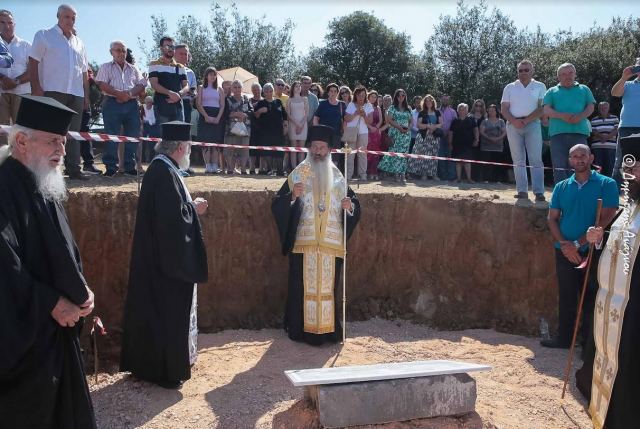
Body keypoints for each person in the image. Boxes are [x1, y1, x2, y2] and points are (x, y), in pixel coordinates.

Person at [0, 95, 96, 427]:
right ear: (22, 141)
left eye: (64, 142)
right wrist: (51, 303)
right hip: (26, 349)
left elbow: (61, 250)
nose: (62, 150)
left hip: (57, 337)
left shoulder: (44, 179)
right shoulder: (4, 188)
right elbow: (4, 268)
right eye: (53, 141)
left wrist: (81, 288)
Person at [120, 121, 209, 389]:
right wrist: (194, 209)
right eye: (189, 148)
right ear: (181, 147)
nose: (189, 152)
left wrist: (188, 208)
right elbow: (172, 222)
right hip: (165, 266)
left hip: (157, 260)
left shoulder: (163, 169)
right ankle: (164, 371)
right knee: (164, 315)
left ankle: (148, 366)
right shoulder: (163, 172)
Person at [271, 125, 361, 345]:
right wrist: (292, 196)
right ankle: (300, 331)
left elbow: (354, 206)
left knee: (329, 289)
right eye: (314, 147)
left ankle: (329, 332)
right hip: (305, 242)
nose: (318, 151)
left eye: (322, 147)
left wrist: (350, 207)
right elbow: (277, 203)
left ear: (329, 150)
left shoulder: (339, 177)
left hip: (330, 244)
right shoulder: (299, 173)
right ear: (309, 148)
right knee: (302, 288)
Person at [583, 134, 640, 429]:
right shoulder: (626, 209)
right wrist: (597, 240)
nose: (631, 174)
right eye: (628, 169)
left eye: (636, 168)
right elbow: (617, 253)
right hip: (618, 311)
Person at [543, 144, 618, 349]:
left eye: (583, 156)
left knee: (591, 297)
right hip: (565, 252)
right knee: (566, 296)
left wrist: (578, 244)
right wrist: (566, 246)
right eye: (574, 156)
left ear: (591, 157)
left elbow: (608, 215)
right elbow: (552, 219)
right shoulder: (561, 187)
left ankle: (588, 344)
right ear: (570, 160)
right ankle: (565, 339)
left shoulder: (607, 184)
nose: (579, 159)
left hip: (594, 250)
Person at [29, 4, 90, 180]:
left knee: (74, 133)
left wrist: (86, 96)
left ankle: (73, 169)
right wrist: (36, 88)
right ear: (58, 17)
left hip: (76, 93)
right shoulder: (44, 35)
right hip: (52, 91)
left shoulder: (80, 42)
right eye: (66, 17)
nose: (70, 21)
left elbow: (84, 72)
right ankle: (46, 169)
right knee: (50, 131)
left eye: (73, 18)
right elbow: (33, 62)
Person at [95, 40, 146, 177]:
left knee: (133, 135)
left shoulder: (134, 68)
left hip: (131, 104)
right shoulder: (105, 67)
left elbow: (141, 84)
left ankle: (130, 167)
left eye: (123, 50)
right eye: (118, 50)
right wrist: (119, 94)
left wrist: (128, 95)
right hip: (112, 103)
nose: (121, 53)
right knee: (111, 135)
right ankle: (111, 167)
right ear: (111, 52)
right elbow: (101, 84)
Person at [501, 60, 547, 200]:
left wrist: (526, 121)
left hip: (532, 124)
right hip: (513, 125)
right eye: (520, 70)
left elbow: (542, 108)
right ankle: (522, 191)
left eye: (526, 70)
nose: (523, 73)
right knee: (518, 159)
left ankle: (539, 192)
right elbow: (504, 108)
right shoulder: (510, 87)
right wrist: (514, 121)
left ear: (532, 71)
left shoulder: (540, 86)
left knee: (536, 159)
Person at [543, 63, 596, 184]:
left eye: (570, 73)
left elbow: (591, 106)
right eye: (563, 74)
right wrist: (562, 116)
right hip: (557, 134)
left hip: (579, 132)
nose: (567, 76)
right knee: (559, 167)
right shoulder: (551, 91)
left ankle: (581, 192)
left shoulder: (584, 89)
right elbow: (546, 110)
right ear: (558, 77)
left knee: (581, 165)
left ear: (575, 74)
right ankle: (561, 195)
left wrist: (581, 116)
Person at [611, 60, 640, 187]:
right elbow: (615, 93)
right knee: (621, 163)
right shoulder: (627, 84)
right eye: (638, 66)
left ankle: (636, 200)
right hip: (626, 128)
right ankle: (612, 198)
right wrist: (624, 77)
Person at [0, 9, 31, 128]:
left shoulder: (26, 45)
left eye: (10, 22)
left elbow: (33, 70)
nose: (7, 26)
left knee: (22, 131)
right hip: (1, 94)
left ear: (14, 24)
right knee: (2, 134)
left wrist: (16, 81)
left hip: (22, 94)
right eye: (2, 22)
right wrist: (2, 78)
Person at [148, 36, 189, 124]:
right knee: (162, 136)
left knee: (179, 136)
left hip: (177, 107)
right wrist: (170, 93)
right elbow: (154, 84)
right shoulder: (154, 64)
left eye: (172, 47)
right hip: (161, 106)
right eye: (167, 46)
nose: (170, 49)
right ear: (161, 48)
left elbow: (186, 86)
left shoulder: (180, 66)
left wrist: (178, 94)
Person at [378, 89, 412, 183]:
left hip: (406, 135)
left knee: (404, 154)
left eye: (403, 95)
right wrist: (399, 127)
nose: (401, 97)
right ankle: (396, 174)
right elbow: (389, 120)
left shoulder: (408, 108)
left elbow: (411, 121)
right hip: (395, 132)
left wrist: (408, 129)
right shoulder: (392, 108)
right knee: (395, 153)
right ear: (396, 97)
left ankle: (403, 174)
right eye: (399, 95)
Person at [196, 67, 225, 174]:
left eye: (214, 75)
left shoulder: (220, 89)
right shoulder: (200, 88)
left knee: (215, 142)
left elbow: (222, 105)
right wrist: (206, 116)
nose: (212, 77)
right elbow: (198, 104)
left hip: (217, 116)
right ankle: (208, 165)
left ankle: (215, 165)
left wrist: (217, 118)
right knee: (206, 142)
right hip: (205, 116)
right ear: (206, 76)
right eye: (210, 74)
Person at [407, 94, 442, 181]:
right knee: (423, 156)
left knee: (434, 156)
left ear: (433, 102)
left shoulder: (437, 112)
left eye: (430, 100)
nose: (428, 102)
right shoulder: (422, 112)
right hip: (423, 137)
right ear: (424, 102)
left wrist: (434, 127)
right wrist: (428, 126)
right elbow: (418, 125)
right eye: (426, 101)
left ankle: (433, 174)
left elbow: (441, 123)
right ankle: (424, 174)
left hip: (435, 137)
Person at [254, 83, 287, 176]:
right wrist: (260, 111)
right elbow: (255, 116)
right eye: (266, 91)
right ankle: (269, 170)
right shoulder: (260, 103)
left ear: (273, 91)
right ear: (263, 92)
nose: (269, 93)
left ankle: (280, 171)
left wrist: (286, 126)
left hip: (278, 131)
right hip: (265, 132)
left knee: (280, 152)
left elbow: (285, 115)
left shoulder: (278, 102)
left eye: (270, 91)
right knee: (267, 152)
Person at [313, 83, 346, 171]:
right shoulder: (323, 104)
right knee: (322, 155)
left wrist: (344, 132)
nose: (333, 93)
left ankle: (333, 174)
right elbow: (316, 118)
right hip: (323, 135)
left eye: (335, 91)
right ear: (328, 92)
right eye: (331, 91)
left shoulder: (342, 105)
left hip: (336, 135)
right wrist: (317, 131)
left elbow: (345, 120)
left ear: (337, 93)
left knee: (335, 157)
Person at [343, 85, 373, 181]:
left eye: (363, 95)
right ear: (355, 95)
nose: (361, 97)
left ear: (366, 95)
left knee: (362, 154)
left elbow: (370, 121)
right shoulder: (351, 105)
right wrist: (356, 113)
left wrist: (364, 115)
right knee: (350, 154)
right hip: (351, 132)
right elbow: (346, 118)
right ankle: (348, 175)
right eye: (359, 95)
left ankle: (362, 175)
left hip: (363, 132)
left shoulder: (369, 106)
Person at [223, 79, 252, 174]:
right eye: (235, 87)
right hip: (231, 128)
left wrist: (244, 115)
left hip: (245, 128)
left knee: (244, 150)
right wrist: (236, 114)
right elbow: (225, 113)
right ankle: (230, 169)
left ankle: (243, 169)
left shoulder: (247, 99)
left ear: (242, 88)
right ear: (231, 89)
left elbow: (251, 111)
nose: (237, 89)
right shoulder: (227, 99)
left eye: (239, 87)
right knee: (230, 149)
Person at [449, 103, 479, 183]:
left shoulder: (472, 120)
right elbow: (451, 133)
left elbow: (476, 130)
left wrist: (477, 139)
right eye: (460, 109)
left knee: (467, 162)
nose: (462, 111)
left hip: (468, 144)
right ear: (458, 111)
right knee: (458, 162)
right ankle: (458, 179)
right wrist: (450, 143)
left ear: (467, 111)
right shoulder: (454, 121)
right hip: (457, 144)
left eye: (464, 109)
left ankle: (469, 179)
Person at [479, 104, 507, 183]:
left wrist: (497, 139)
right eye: (489, 110)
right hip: (486, 146)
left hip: (498, 147)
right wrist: (490, 138)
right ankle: (486, 179)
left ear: (496, 111)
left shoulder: (501, 121)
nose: (491, 112)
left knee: (497, 164)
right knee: (486, 163)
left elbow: (504, 132)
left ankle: (497, 180)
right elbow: (481, 131)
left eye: (493, 110)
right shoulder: (485, 121)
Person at [590, 101, 619, 177]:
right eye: (601, 108)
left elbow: (616, 130)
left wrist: (606, 137)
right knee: (598, 167)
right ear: (598, 109)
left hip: (611, 147)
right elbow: (593, 131)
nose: (603, 109)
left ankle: (610, 183)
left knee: (611, 167)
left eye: (605, 107)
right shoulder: (593, 119)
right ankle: (597, 184)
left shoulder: (615, 118)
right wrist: (603, 137)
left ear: (608, 108)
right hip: (597, 147)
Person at [286, 81, 309, 169]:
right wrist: (296, 124)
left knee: (302, 149)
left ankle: (301, 168)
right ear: (293, 88)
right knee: (293, 148)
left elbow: (306, 113)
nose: (298, 87)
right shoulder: (289, 100)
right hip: (293, 124)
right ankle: (294, 168)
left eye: (299, 86)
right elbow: (288, 114)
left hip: (303, 125)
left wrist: (301, 125)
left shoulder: (305, 99)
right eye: (296, 86)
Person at [438, 94, 457, 181]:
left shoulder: (453, 112)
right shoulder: (436, 111)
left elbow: (455, 125)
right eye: (443, 99)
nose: (445, 101)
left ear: (449, 100)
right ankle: (442, 176)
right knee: (440, 156)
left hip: (450, 137)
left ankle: (451, 176)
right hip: (439, 137)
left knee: (450, 156)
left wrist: (449, 134)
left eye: (447, 99)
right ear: (440, 100)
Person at [366, 90, 383, 181]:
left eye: (375, 97)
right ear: (368, 97)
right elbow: (364, 119)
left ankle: (374, 172)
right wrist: (369, 127)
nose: (373, 98)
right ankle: (368, 172)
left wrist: (376, 128)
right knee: (368, 153)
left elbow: (381, 120)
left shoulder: (378, 108)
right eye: (372, 96)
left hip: (376, 132)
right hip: (367, 131)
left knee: (376, 153)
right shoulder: (365, 106)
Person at [248, 82, 262, 174]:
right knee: (252, 149)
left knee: (262, 149)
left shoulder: (265, 100)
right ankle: (252, 168)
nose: (256, 91)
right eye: (254, 90)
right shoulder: (249, 100)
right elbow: (248, 112)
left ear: (261, 90)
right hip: (252, 127)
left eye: (257, 89)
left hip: (263, 128)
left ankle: (261, 168)